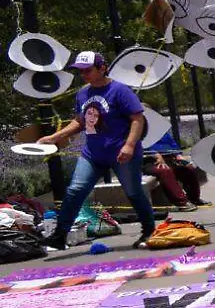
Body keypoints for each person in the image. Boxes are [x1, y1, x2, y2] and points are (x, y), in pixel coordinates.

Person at [36, 50, 157, 250]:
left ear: (102, 68)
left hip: (122, 153)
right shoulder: (83, 93)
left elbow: (137, 118)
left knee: (133, 191)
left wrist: (129, 145)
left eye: (88, 70)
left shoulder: (120, 90)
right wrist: (55, 137)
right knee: (75, 190)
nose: (84, 75)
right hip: (93, 154)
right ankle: (60, 235)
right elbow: (80, 121)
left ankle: (149, 230)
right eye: (80, 71)